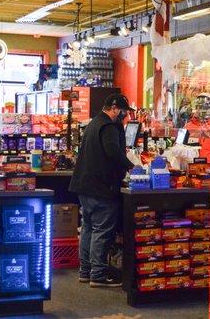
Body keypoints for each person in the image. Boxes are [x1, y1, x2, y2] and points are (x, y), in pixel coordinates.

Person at [69, 93, 134, 287]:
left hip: (85, 185)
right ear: (115, 108)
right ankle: (97, 275)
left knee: (88, 228)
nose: (125, 116)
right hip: (101, 187)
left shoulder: (94, 123)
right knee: (101, 230)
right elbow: (113, 153)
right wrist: (132, 167)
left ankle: (85, 271)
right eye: (123, 112)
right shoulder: (109, 126)